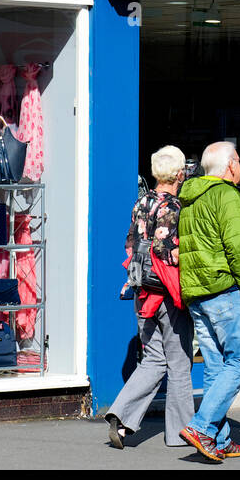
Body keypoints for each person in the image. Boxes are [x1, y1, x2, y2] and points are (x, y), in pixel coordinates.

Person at [177, 141, 240, 462]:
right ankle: (201, 427)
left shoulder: (191, 198)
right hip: (226, 290)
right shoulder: (226, 195)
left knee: (215, 367)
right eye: (238, 161)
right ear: (229, 166)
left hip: (198, 294)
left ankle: (219, 438)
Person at [104, 145, 194, 449]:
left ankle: (122, 414)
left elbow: (131, 243)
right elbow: (169, 252)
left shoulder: (140, 202)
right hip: (167, 293)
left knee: (154, 358)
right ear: (180, 173)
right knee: (179, 363)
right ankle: (181, 433)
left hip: (142, 291)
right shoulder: (176, 208)